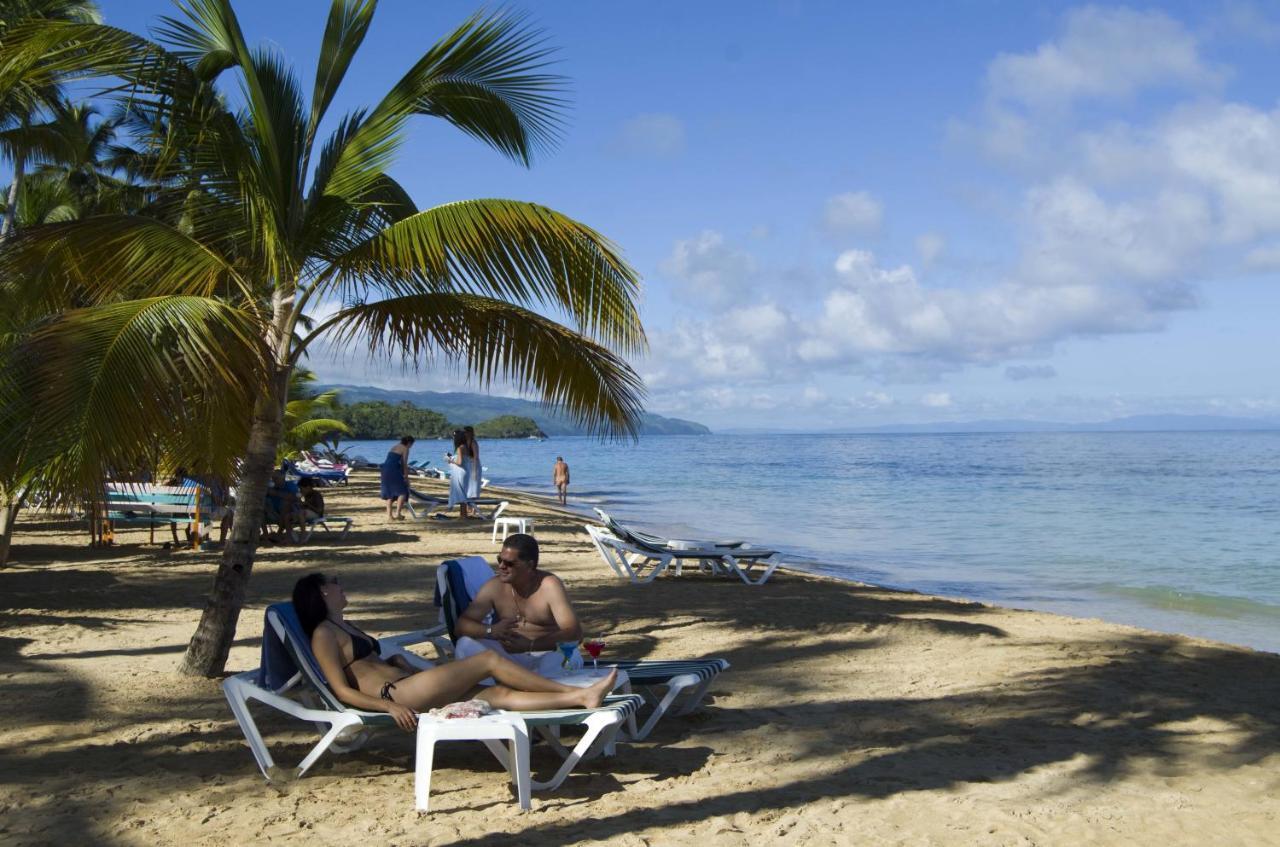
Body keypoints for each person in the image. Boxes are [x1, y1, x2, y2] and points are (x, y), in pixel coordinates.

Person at [293, 573, 616, 731]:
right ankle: (570, 690)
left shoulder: (345, 625)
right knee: (488, 660)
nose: (341, 586)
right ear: (322, 591)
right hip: (397, 696)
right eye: (335, 583)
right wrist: (387, 708)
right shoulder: (324, 633)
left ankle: (580, 699)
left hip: (408, 683)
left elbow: (363, 664)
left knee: (498, 694)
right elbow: (340, 689)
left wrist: (394, 661)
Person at [454, 534, 583, 675]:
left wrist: (530, 645)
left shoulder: (549, 585)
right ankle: (488, 693)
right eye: (500, 560)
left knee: (563, 657)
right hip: (512, 655)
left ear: (529, 565)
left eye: (510, 563)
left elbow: (574, 633)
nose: (502, 566)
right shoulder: (495, 586)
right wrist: (490, 630)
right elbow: (461, 626)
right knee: (465, 645)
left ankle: (541, 689)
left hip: (548, 652)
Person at [379, 435, 414, 520]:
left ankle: (390, 516)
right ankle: (398, 514)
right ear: (409, 443)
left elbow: (392, 460)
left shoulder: (395, 446)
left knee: (389, 493)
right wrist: (406, 477)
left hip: (385, 469)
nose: (411, 446)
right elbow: (404, 464)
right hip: (393, 469)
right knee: (402, 492)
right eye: (411, 444)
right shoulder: (405, 449)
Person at [264, 469, 303, 543]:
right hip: (273, 512)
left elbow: (296, 498)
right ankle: (266, 535)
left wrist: (276, 493)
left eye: (276, 478)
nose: (274, 480)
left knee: (286, 503)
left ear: (283, 477)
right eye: (273, 478)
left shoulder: (290, 485)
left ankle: (279, 533)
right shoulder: (271, 487)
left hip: (289, 511)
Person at [444, 429, 474, 519]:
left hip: (460, 472)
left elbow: (460, 462)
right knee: (462, 493)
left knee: (461, 494)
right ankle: (462, 514)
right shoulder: (466, 447)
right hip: (465, 472)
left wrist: (450, 460)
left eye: (454, 438)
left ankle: (463, 515)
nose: (453, 439)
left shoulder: (460, 448)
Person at [464, 425, 482, 503]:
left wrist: (474, 471)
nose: (464, 434)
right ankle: (469, 507)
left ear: (469, 433)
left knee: (474, 488)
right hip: (467, 465)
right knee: (468, 488)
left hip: (474, 465)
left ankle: (473, 509)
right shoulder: (465, 443)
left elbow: (476, 457)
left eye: (465, 432)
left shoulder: (473, 443)